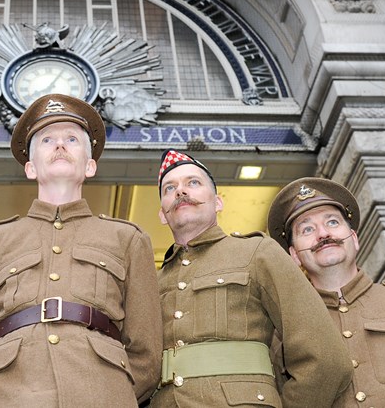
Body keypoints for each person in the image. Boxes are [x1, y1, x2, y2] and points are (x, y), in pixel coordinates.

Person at [0, 94, 162, 407]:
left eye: (72, 139)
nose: (60, 145)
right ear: (30, 168)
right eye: (47, 140)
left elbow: (146, 354)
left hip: (101, 395)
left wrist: (112, 391)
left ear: (90, 166)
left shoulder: (127, 239)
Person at [150, 150, 353, 407]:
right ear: (162, 213)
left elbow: (326, 358)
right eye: (170, 188)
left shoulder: (258, 252)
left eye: (193, 183)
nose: (181, 191)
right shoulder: (152, 282)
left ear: (218, 202)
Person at [267, 177, 385, 406]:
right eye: (307, 229)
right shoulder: (281, 332)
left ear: (354, 238)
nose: (322, 234)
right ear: (294, 255)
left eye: (332, 222)